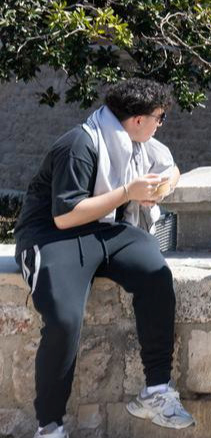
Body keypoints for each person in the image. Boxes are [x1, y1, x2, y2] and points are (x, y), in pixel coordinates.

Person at [14, 79, 194, 434]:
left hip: (104, 229)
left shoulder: (137, 143)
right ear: (138, 120)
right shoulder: (80, 144)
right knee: (64, 320)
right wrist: (128, 191)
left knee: (156, 274)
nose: (161, 124)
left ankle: (156, 390)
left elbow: (171, 167)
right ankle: (49, 426)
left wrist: (161, 186)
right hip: (54, 236)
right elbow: (65, 215)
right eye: (159, 118)